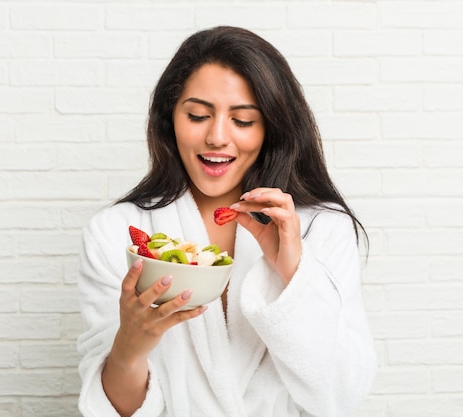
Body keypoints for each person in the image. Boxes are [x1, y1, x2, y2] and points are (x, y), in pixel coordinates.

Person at [77, 26, 377, 417]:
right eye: (198, 115)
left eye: (244, 121)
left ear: (272, 128)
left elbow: (340, 396)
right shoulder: (115, 232)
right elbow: (113, 411)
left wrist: (293, 272)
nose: (217, 136)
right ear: (171, 119)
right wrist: (130, 347)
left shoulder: (323, 228)